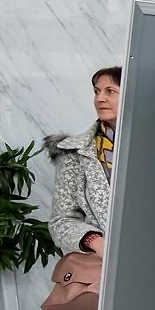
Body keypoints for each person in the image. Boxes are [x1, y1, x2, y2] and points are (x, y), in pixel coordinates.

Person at [46, 66, 120, 259]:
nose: (100, 98)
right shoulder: (75, 152)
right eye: (97, 91)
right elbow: (61, 221)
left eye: (110, 91)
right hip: (105, 265)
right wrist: (95, 242)